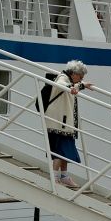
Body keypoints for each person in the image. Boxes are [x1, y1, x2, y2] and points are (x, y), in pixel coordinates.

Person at [42, 60, 92, 188]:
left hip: (65, 123)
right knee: (61, 150)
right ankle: (55, 176)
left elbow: (71, 86)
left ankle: (64, 176)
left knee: (66, 150)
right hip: (59, 122)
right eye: (80, 77)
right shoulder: (63, 78)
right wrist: (71, 88)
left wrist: (83, 85)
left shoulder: (70, 81)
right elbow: (61, 85)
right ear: (74, 73)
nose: (80, 80)